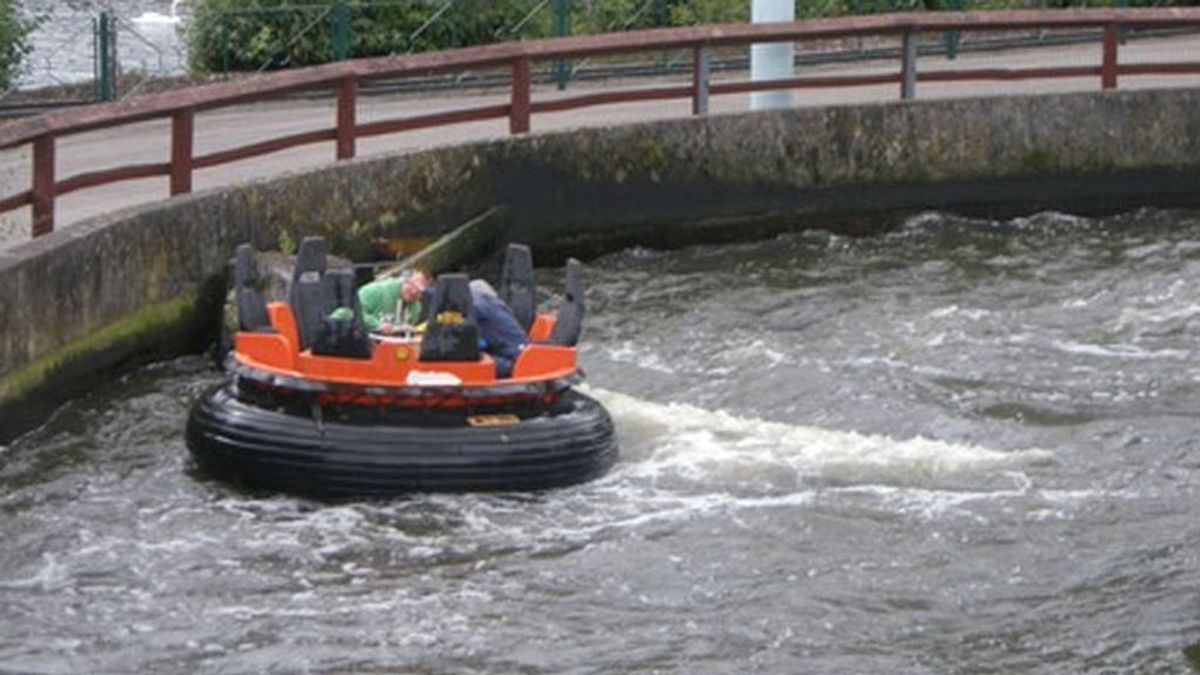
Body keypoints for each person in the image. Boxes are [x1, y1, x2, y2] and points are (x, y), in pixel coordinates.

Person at [404, 270, 529, 378]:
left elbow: (455, 304)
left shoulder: (481, 307)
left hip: (511, 362)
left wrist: (424, 291)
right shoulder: (496, 306)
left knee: (458, 358)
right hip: (513, 354)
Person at [355, 272, 423, 333]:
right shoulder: (374, 291)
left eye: (420, 291)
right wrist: (377, 324)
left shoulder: (416, 307)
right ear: (403, 281)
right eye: (411, 285)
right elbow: (353, 312)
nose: (414, 292)